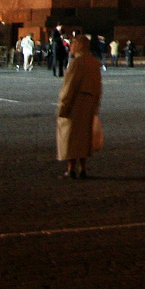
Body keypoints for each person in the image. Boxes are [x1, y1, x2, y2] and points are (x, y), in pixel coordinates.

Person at [56, 34, 104, 180]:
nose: (71, 46)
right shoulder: (94, 63)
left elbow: (69, 86)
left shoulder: (77, 63)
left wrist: (63, 105)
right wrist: (95, 105)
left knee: (70, 137)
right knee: (85, 137)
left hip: (75, 104)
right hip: (88, 104)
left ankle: (70, 169)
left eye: (73, 43)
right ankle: (83, 168)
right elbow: (98, 87)